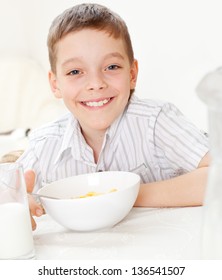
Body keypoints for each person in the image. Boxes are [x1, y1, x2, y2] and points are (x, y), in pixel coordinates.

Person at [17, 3, 210, 230]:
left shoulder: (155, 122)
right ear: (55, 84)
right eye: (75, 72)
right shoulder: (43, 145)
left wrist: (124, 196)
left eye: (111, 67)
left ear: (132, 74)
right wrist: (17, 203)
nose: (96, 84)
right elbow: (9, 193)